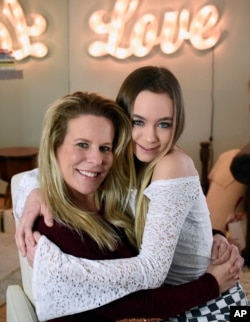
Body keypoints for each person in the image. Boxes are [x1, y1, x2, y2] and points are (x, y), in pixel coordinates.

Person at [13, 68, 247, 321]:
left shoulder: (172, 165)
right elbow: (46, 170)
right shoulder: (116, 162)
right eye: (138, 121)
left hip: (215, 298)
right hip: (178, 299)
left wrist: (65, 272)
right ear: (123, 122)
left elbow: (154, 270)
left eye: (164, 124)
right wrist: (35, 191)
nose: (150, 138)